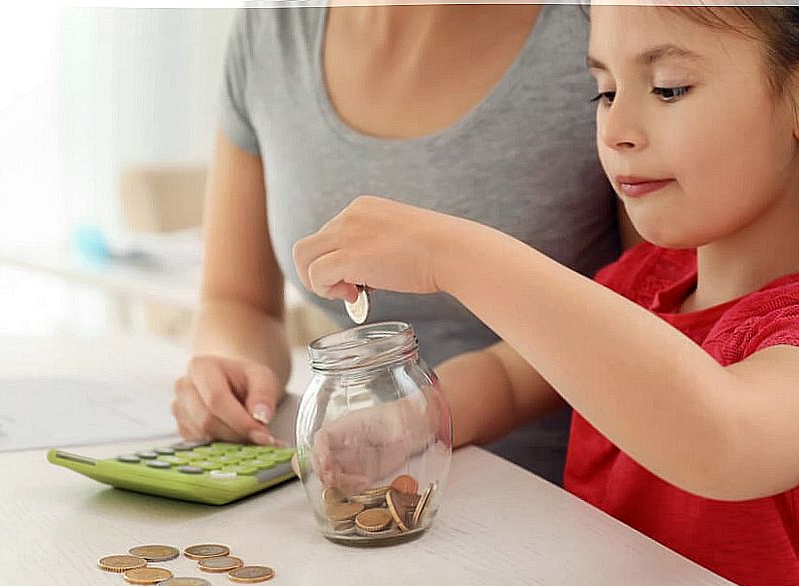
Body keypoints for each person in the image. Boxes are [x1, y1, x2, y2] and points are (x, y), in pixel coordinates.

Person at [292, 5, 799, 586]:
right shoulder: (643, 282)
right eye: (605, 92)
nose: (618, 129)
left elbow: (725, 440)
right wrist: (401, 423)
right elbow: (509, 376)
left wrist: (455, 255)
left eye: (668, 89)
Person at [171, 4, 640, 486]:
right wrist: (234, 377)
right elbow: (238, 302)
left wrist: (418, 419)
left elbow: (651, 308)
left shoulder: (602, 24)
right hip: (347, 483)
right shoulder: (273, 26)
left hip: (561, 500)